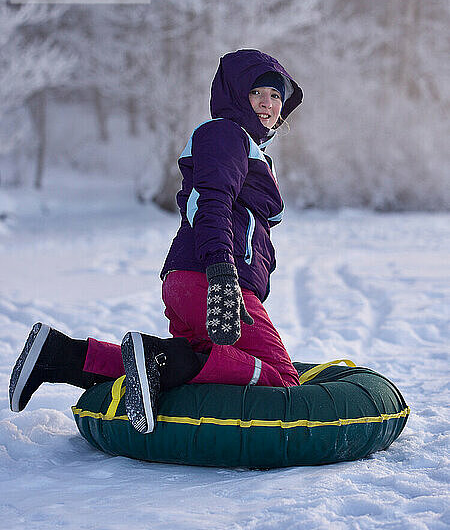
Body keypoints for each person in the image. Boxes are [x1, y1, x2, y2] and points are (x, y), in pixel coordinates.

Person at [9, 49, 303, 434]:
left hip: (192, 278)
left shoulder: (249, 149)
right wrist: (222, 272)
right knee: (281, 378)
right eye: (257, 93)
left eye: (276, 96)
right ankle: (157, 356)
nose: (268, 103)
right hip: (211, 277)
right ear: (235, 96)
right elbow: (212, 202)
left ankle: (59, 355)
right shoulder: (226, 133)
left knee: (196, 360)